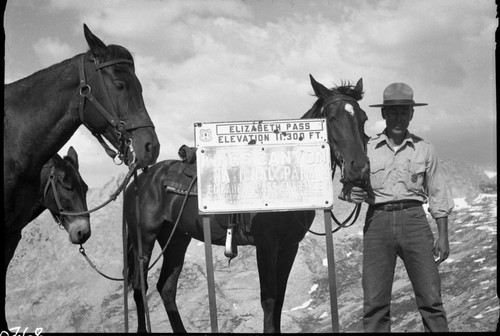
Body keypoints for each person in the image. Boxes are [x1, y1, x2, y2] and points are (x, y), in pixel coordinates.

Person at [348, 82, 454, 332]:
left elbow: (438, 194)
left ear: (412, 114)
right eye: (393, 112)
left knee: (431, 299)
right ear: (384, 114)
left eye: (404, 112)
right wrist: (352, 193)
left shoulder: (425, 149)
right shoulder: (366, 148)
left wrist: (443, 236)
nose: (398, 117)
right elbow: (348, 185)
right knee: (374, 303)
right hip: (377, 224)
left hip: (415, 221)